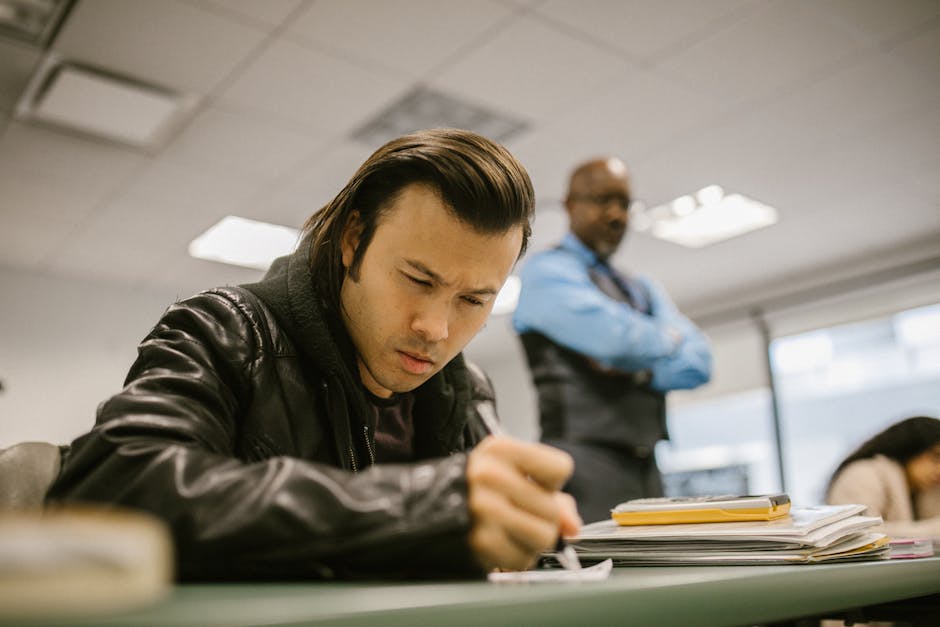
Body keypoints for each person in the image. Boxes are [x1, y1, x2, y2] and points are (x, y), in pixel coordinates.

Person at [46, 128, 581, 581]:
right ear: (353, 240)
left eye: (473, 300)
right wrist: (418, 506)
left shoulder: (467, 389)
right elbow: (112, 485)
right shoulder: (225, 330)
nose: (436, 329)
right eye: (417, 279)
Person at [512, 157, 712, 523]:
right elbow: (620, 343)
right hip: (579, 465)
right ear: (571, 205)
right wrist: (668, 338)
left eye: (624, 203)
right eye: (603, 200)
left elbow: (700, 362)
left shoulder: (643, 287)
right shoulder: (547, 272)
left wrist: (643, 371)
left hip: (648, 467)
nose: (617, 214)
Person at [826, 415, 940, 539]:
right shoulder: (863, 475)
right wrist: (933, 530)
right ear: (910, 447)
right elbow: (857, 536)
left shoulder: (929, 489)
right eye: (935, 457)